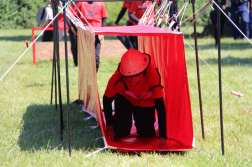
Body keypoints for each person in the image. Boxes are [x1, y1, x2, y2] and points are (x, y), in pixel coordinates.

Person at [103, 49, 168, 149]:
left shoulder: (153, 75)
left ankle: (141, 118)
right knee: (121, 133)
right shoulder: (117, 78)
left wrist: (163, 137)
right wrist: (109, 126)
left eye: (137, 75)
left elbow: (160, 106)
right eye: (129, 77)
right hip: (125, 99)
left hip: (145, 102)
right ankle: (120, 117)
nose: (133, 80)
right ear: (123, 74)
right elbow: (107, 100)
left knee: (147, 134)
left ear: (144, 71)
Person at [70, 1, 107, 69]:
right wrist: (78, 30)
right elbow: (73, 17)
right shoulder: (80, 3)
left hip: (97, 32)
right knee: (85, 55)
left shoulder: (100, 3)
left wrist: (102, 32)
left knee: (96, 56)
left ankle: (95, 73)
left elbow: (104, 18)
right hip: (85, 32)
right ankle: (86, 73)